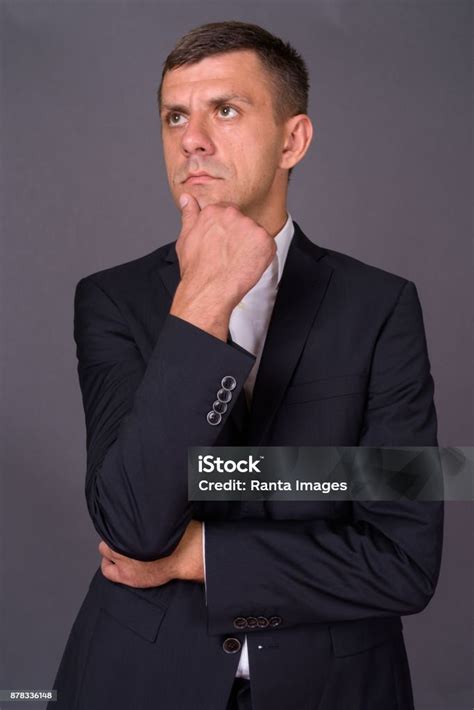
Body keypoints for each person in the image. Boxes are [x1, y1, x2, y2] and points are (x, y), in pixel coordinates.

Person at [49, 20, 443, 710]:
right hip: (138, 681)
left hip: (333, 688)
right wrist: (200, 304)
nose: (191, 138)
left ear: (293, 140)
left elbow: (405, 564)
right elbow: (133, 524)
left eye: (224, 110)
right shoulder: (110, 299)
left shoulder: (382, 306)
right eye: (176, 116)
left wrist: (199, 556)